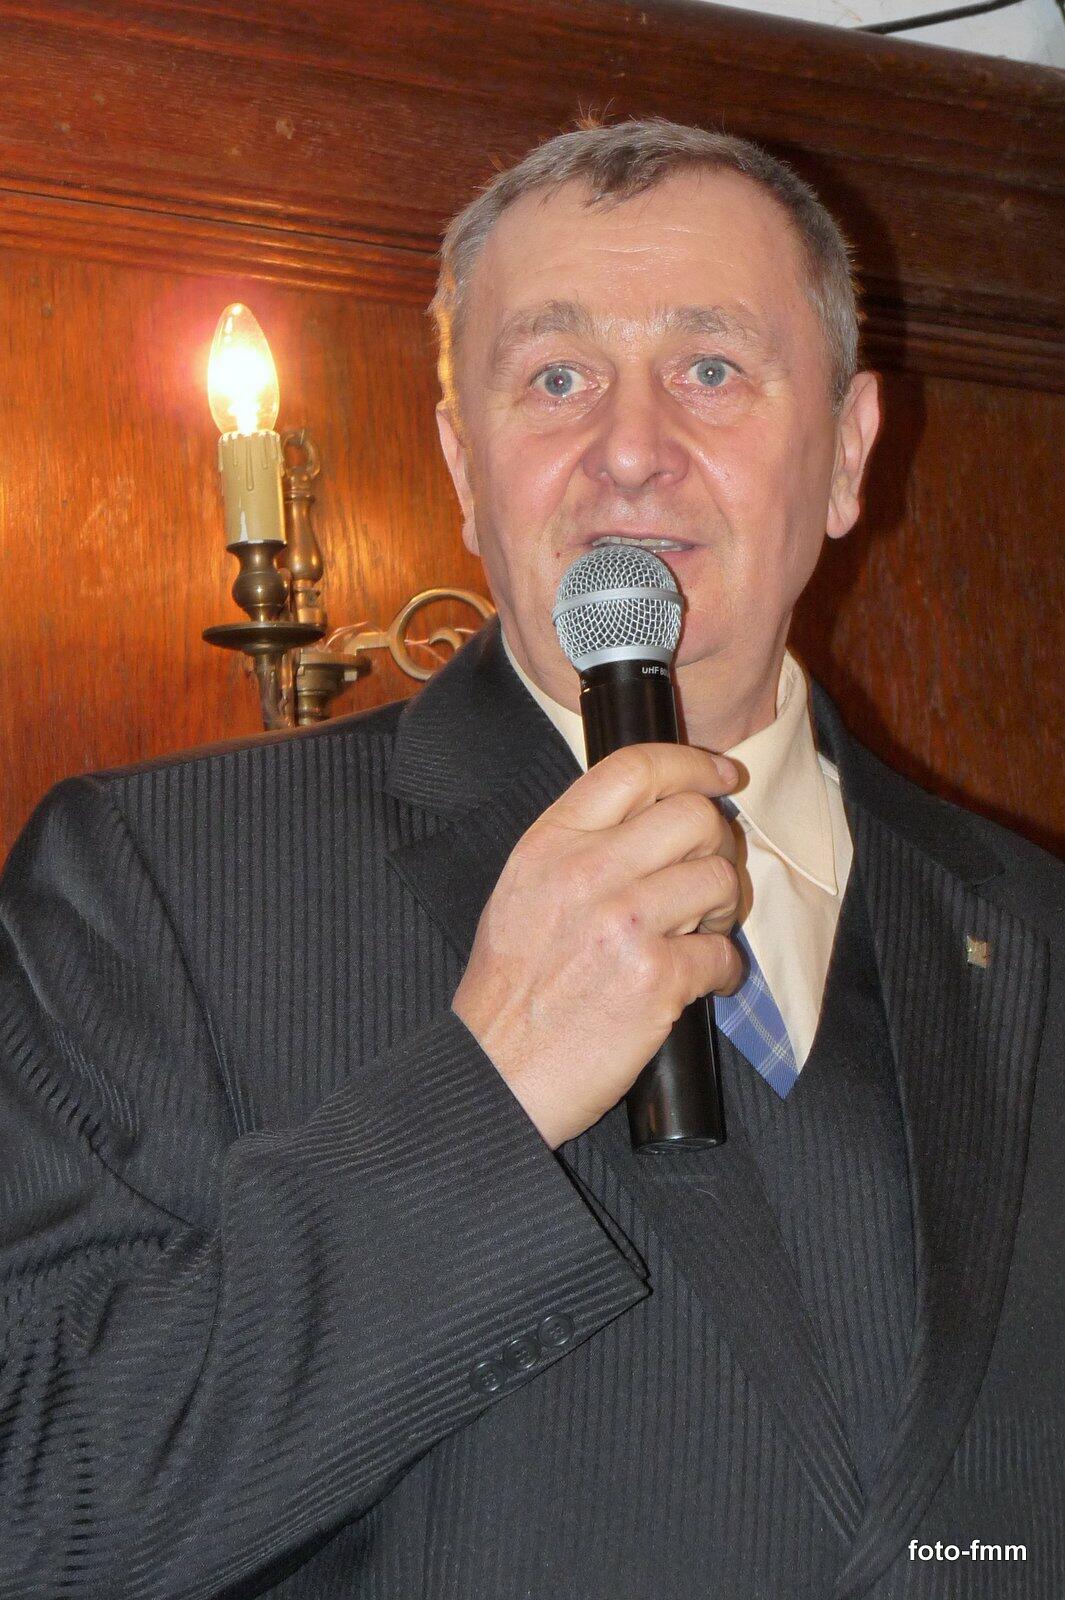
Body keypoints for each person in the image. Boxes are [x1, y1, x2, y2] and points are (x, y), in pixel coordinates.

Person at [0, 119, 1060, 1599]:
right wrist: (487, 1089)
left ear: (845, 452)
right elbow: (37, 1506)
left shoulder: (1035, 923)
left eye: (711, 368)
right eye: (556, 377)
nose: (629, 449)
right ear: (462, 465)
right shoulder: (156, 886)